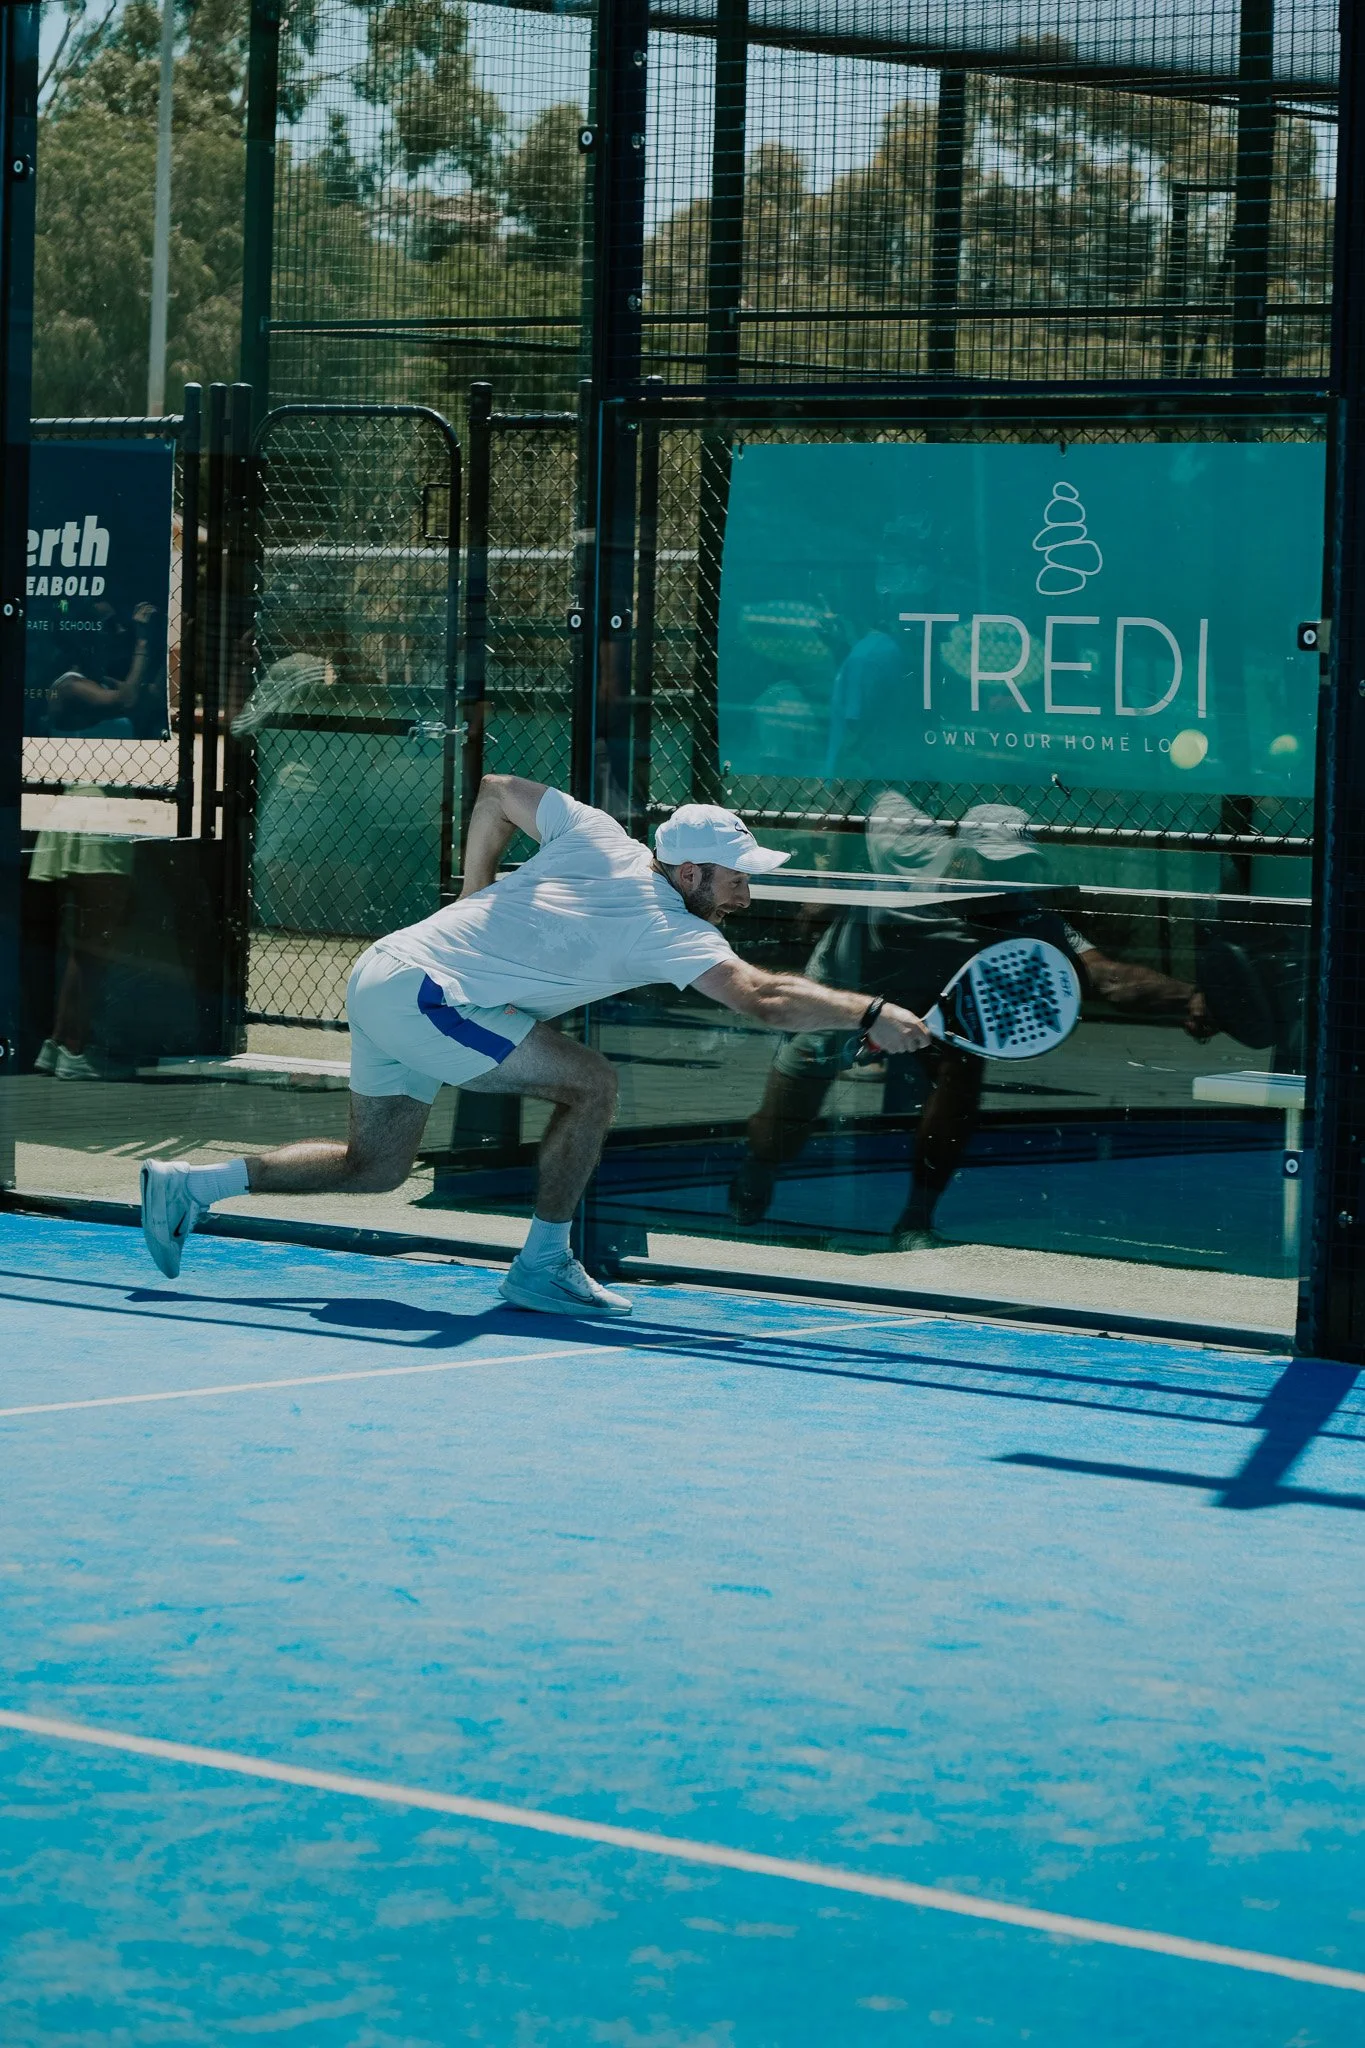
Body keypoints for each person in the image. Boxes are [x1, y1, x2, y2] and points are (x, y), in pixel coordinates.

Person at [139, 778, 931, 1314]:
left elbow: (495, 791)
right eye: (734, 878)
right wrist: (870, 1011)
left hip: (383, 972)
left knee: (374, 1166)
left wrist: (471, 889)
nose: (745, 891)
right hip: (427, 994)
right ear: (689, 872)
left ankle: (190, 1187)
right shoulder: (662, 926)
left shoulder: (600, 836)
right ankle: (542, 1267)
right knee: (590, 1084)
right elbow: (761, 998)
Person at [732, 796, 1213, 1249]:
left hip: (935, 1015)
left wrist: (1192, 997)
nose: (1011, 874)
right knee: (782, 1128)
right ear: (960, 860)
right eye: (997, 863)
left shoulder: (1027, 913)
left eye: (1020, 863)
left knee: (961, 1073)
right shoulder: (907, 875)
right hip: (842, 999)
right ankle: (756, 1174)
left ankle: (916, 1218)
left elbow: (1101, 975)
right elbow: (862, 809)